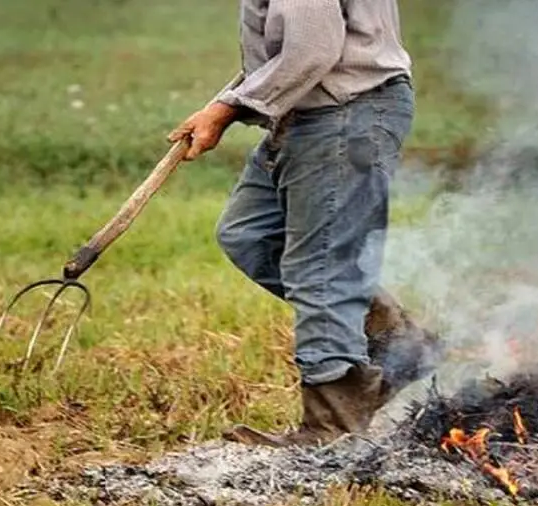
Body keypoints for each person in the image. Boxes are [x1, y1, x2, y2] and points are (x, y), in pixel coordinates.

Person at [167, 0, 440, 447]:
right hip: (307, 111)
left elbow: (312, 50)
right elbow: (293, 46)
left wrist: (228, 110)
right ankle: (399, 343)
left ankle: (332, 430)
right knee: (250, 234)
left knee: (322, 271)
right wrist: (228, 102)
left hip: (343, 112)